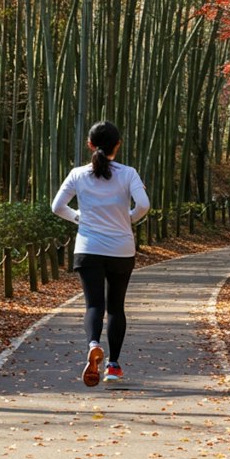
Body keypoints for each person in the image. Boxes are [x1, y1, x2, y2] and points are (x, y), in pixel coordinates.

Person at [51, 121, 150, 387]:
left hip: (88, 248)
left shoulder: (77, 174)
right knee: (116, 307)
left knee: (94, 305)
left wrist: (78, 217)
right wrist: (129, 218)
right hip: (121, 248)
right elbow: (144, 204)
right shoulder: (128, 174)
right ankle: (114, 366)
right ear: (117, 145)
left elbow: (57, 206)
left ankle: (93, 344)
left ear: (90, 145)